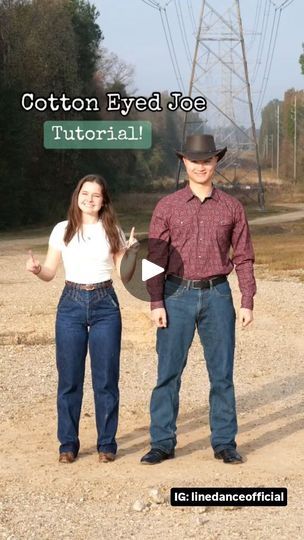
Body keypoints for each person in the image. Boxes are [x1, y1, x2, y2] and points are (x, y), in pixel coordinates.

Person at [141, 134, 256, 465]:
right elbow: (154, 259)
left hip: (218, 295)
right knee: (168, 372)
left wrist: (247, 299)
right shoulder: (167, 206)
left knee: (222, 374)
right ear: (184, 162)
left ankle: (224, 442)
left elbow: (244, 256)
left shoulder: (232, 207)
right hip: (175, 295)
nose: (201, 166)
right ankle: (162, 442)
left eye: (207, 160)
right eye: (194, 161)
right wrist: (156, 302)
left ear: (216, 162)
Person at [26, 174, 139, 464]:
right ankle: (68, 444)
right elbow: (50, 272)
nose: (89, 199)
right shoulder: (62, 230)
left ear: (104, 201)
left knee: (105, 380)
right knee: (69, 380)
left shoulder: (111, 229)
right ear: (77, 196)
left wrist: (131, 253)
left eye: (96, 195)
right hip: (71, 304)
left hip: (105, 304)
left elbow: (123, 275)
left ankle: (106, 444)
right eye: (85, 193)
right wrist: (37, 269)